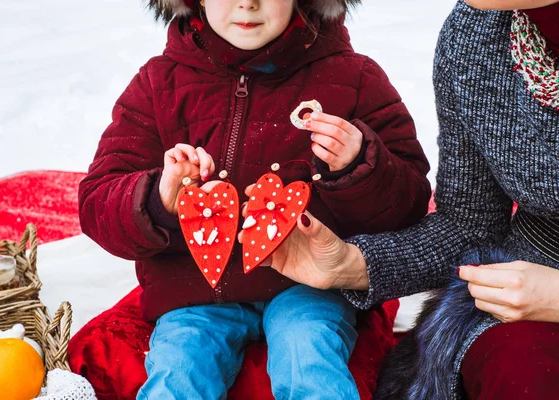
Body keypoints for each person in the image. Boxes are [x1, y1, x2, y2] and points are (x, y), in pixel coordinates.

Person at [78, 0, 432, 398]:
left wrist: (358, 164)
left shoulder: (355, 79)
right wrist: (160, 199)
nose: (248, 3)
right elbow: (97, 200)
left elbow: (410, 201)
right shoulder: (159, 84)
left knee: (308, 352)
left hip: (308, 284)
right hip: (194, 289)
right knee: (178, 367)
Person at [258, 0, 559, 398]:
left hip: (543, 292)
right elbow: (470, 225)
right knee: (516, 365)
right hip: (524, 285)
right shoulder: (477, 32)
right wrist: (351, 264)